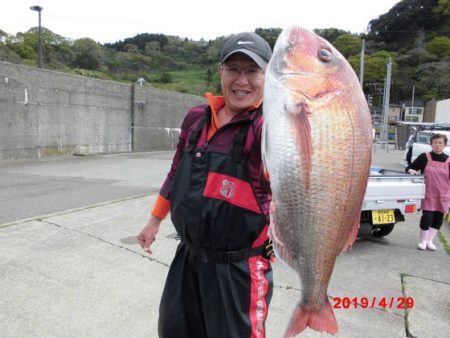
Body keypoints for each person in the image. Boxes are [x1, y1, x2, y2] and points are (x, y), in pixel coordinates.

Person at [137, 32, 273, 338]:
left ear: (267, 76)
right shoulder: (196, 118)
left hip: (239, 268)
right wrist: (154, 221)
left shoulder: (267, 127)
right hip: (189, 256)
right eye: (234, 69)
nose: (243, 80)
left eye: (252, 70)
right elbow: (175, 172)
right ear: (221, 71)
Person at [406, 133, 450, 251]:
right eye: (435, 142)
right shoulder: (424, 156)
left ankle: (430, 241)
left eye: (440, 143)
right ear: (431, 144)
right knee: (427, 218)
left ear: (445, 145)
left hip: (443, 195)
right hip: (428, 194)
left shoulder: (448, 160)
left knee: (438, 219)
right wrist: (411, 171)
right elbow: (410, 167)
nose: (437, 145)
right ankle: (423, 240)